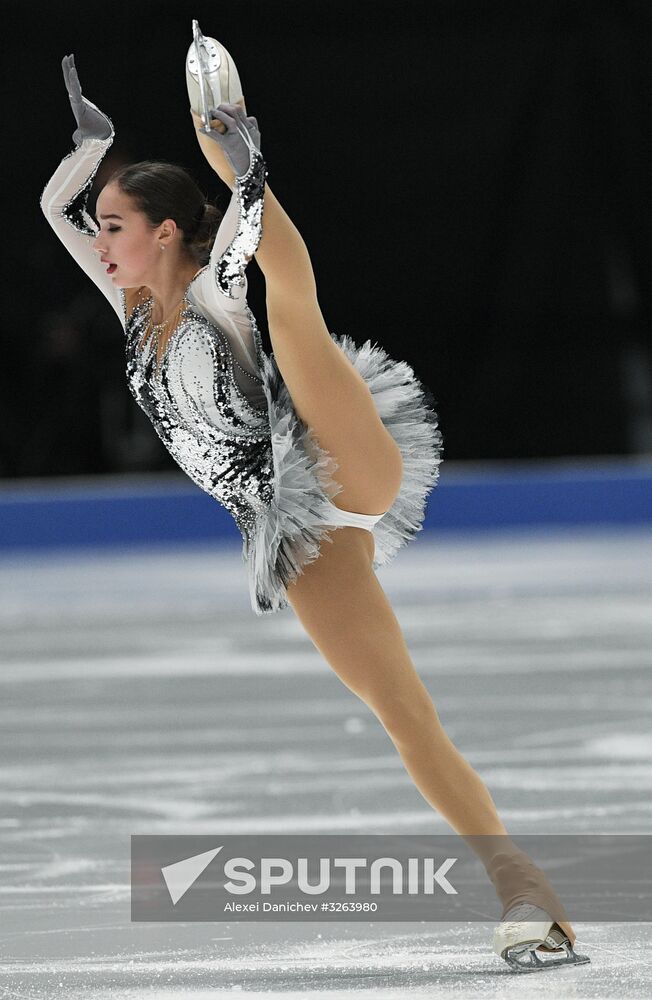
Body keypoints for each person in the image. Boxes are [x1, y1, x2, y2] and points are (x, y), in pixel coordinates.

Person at [40, 40, 590, 973]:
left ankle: (235, 149)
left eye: (117, 224)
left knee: (289, 310)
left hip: (334, 456)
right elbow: (55, 203)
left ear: (168, 231)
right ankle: (526, 892)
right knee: (404, 714)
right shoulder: (128, 304)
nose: (99, 239)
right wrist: (92, 145)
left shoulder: (212, 293)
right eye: (102, 227)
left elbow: (244, 245)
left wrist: (243, 174)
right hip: (291, 537)